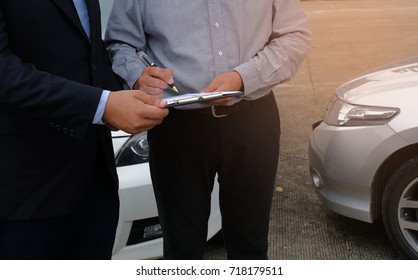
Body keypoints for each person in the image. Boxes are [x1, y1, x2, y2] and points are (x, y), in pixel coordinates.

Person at [106, 0, 311, 259]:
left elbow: (294, 35)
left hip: (253, 119)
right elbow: (120, 42)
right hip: (177, 126)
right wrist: (138, 75)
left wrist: (243, 77)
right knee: (181, 248)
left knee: (250, 245)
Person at [0, 0, 168, 260]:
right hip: (26, 190)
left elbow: (89, 51)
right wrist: (103, 106)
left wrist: (126, 87)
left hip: (95, 184)